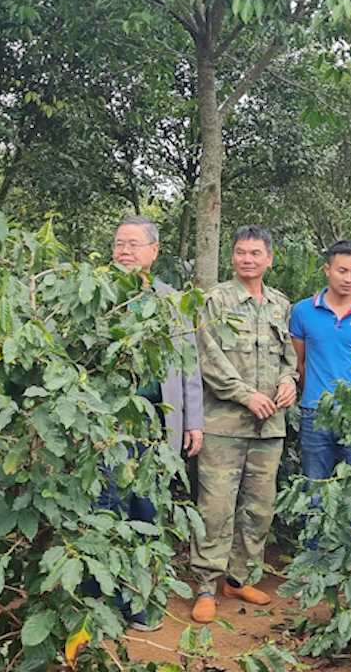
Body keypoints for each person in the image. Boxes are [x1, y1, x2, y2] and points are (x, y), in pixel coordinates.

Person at [97, 215, 204, 632]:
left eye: (133, 244)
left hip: (156, 428)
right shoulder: (96, 295)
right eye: (119, 244)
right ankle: (98, 602)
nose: (124, 251)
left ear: (154, 252)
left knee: (147, 509)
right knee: (105, 507)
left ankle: (138, 602)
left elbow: (188, 367)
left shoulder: (172, 301)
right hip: (106, 426)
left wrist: (192, 421)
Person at [190, 226, 298, 623]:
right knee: (215, 507)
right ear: (232, 256)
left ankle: (239, 577)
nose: (247, 259)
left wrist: (289, 383)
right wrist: (245, 394)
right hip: (224, 423)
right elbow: (208, 358)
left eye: (255, 253)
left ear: (269, 258)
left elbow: (290, 357)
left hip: (269, 428)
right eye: (240, 252)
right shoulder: (214, 301)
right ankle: (205, 584)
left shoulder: (279, 305)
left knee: (258, 508)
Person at [289, 240, 351, 487]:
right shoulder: (302, 311)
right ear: (327, 270)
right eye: (342, 271)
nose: (349, 278)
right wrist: (314, 394)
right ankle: (311, 526)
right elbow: (299, 363)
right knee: (313, 485)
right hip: (314, 410)